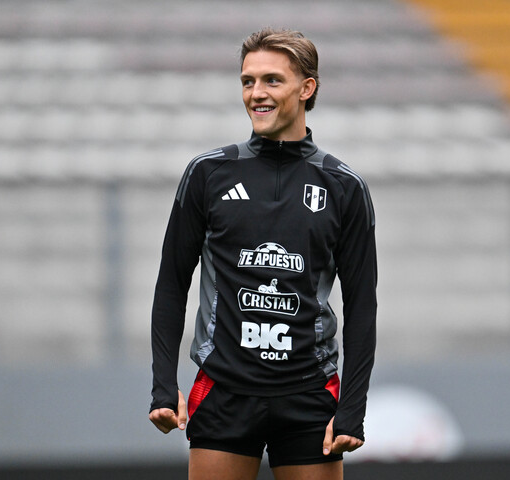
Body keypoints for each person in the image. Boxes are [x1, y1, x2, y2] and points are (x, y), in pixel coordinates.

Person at [149, 27, 377, 480]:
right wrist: (162, 385)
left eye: (272, 80)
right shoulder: (207, 173)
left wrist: (352, 407)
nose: (256, 93)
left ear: (306, 88)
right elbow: (172, 283)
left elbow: (361, 305)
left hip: (309, 393)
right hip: (224, 390)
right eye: (247, 81)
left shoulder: (344, 187)